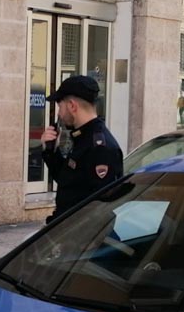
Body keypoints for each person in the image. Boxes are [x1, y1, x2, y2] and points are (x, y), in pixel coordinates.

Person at [41, 75, 123, 223]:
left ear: (72, 106)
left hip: (81, 239)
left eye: (60, 107)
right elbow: (69, 183)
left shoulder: (100, 148)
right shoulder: (82, 137)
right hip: (66, 232)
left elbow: (100, 210)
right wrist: (51, 152)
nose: (59, 113)